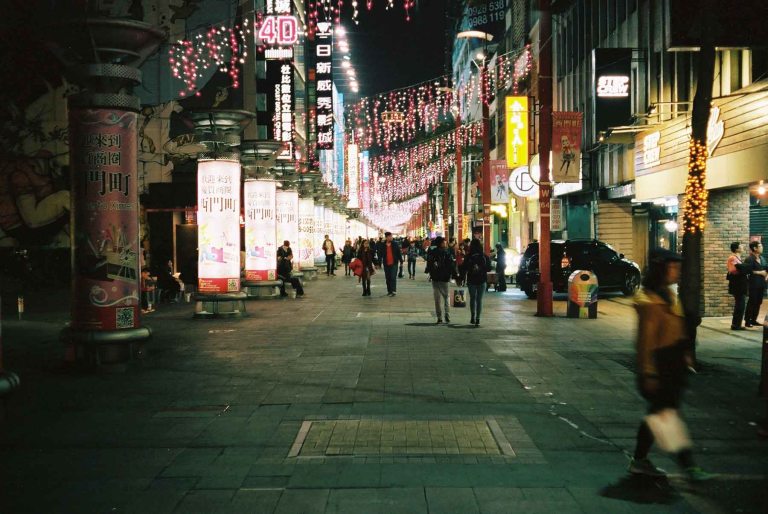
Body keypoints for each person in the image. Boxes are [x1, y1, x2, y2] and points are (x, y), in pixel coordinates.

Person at [628, 248, 714, 481]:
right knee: (665, 415)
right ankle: (688, 465)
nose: (676, 271)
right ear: (660, 269)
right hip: (660, 364)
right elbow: (645, 341)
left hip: (672, 364)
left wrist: (685, 354)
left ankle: (640, 460)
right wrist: (648, 372)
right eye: (672, 267)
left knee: (659, 414)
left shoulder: (668, 295)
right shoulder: (650, 302)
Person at [426, 236, 458, 324]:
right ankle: (447, 316)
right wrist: (455, 276)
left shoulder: (432, 252)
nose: (445, 244)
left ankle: (439, 317)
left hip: (435, 278)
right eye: (444, 242)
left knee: (437, 299)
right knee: (446, 297)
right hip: (444, 278)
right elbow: (451, 265)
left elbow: (428, 263)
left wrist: (429, 272)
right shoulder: (447, 253)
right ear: (440, 243)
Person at [460, 238, 492, 326]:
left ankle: (472, 317)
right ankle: (478, 318)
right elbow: (489, 268)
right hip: (482, 280)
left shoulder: (469, 256)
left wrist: (471, 269)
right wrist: (481, 268)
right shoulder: (484, 256)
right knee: (479, 300)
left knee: (472, 299)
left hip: (471, 280)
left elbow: (464, 267)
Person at [727, 242, 750, 330]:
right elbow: (733, 271)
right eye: (741, 246)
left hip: (741, 284)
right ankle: (736, 325)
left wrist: (744, 268)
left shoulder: (738, 258)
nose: (743, 247)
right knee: (740, 305)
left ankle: (737, 324)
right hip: (737, 285)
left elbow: (743, 269)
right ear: (736, 249)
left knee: (740, 304)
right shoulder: (732, 258)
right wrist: (744, 269)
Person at [744, 240, 767, 328]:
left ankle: (754, 320)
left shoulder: (762, 258)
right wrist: (759, 272)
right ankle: (747, 321)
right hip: (753, 284)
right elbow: (747, 271)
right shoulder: (749, 259)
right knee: (752, 302)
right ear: (755, 248)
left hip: (761, 284)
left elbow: (765, 268)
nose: (762, 248)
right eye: (760, 246)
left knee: (758, 302)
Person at [377, 232, 403, 296]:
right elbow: (379, 255)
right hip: (386, 264)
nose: (391, 237)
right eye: (390, 236)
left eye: (391, 236)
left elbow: (398, 253)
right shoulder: (383, 245)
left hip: (394, 263)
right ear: (386, 237)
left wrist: (401, 261)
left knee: (393, 277)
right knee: (388, 278)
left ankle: (393, 291)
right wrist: (379, 263)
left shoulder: (395, 244)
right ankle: (389, 291)